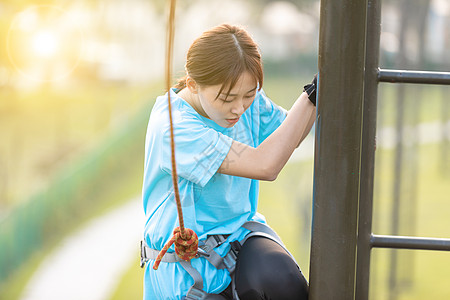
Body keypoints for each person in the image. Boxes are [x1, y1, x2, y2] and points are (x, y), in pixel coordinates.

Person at [141, 24, 317, 300]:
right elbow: (265, 165)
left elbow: (290, 134)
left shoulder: (245, 100)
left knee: (285, 284)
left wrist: (318, 92)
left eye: (249, 95)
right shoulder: (175, 129)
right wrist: (313, 95)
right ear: (192, 85)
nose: (239, 108)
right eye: (227, 99)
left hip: (240, 242)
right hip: (188, 268)